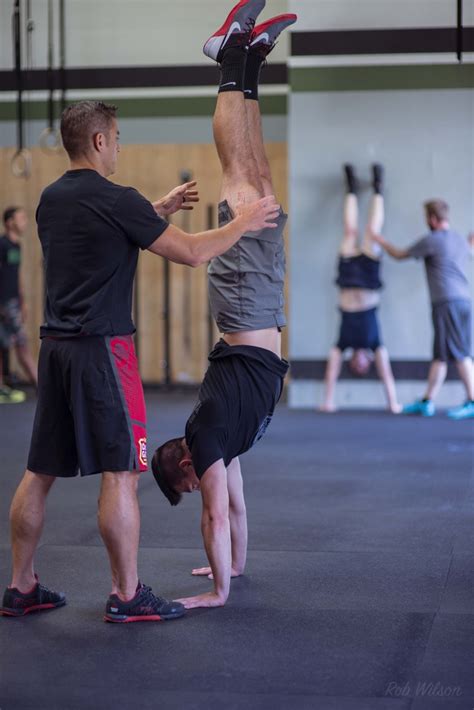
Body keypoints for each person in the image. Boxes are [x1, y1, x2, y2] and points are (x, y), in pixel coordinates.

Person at [0, 99, 279, 622]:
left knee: (38, 471)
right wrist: (243, 221)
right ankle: (126, 595)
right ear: (100, 141)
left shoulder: (50, 199)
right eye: (119, 138)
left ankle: (21, 586)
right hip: (105, 351)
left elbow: (100, 234)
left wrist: (156, 210)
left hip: (55, 350)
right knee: (126, 470)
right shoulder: (116, 198)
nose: (121, 147)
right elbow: (196, 252)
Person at [152, 0, 296, 610]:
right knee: (259, 174)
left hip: (245, 306)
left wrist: (217, 593)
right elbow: (233, 510)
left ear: (184, 466)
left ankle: (229, 56)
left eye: (185, 485)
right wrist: (232, 567)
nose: (198, 489)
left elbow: (213, 515)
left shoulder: (206, 442)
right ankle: (252, 62)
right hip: (259, 307)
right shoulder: (220, 448)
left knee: (237, 172)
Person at [375, 200, 473, 419]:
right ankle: (427, 401)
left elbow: (400, 255)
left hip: (448, 302)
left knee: (461, 353)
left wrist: (379, 240)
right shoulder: (459, 240)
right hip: (462, 301)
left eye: (426, 217)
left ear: (432, 219)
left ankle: (472, 400)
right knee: (441, 355)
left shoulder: (433, 240)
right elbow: (469, 248)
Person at [320, 164, 401, 413]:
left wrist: (328, 401)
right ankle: (378, 188)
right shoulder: (375, 344)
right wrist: (393, 403)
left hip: (347, 280)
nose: (358, 364)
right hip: (367, 281)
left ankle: (351, 190)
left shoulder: (342, 344)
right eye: (363, 367)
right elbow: (386, 373)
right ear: (368, 362)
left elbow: (333, 366)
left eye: (355, 367)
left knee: (350, 231)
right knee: (371, 233)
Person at [0, 207, 38, 404]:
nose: (24, 222)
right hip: (4, 303)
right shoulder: (2, 245)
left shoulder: (17, 246)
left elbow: (17, 276)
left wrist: (22, 302)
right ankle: (41, 386)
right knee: (21, 343)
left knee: (5, 343)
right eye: (20, 218)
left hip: (13, 302)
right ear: (9, 222)